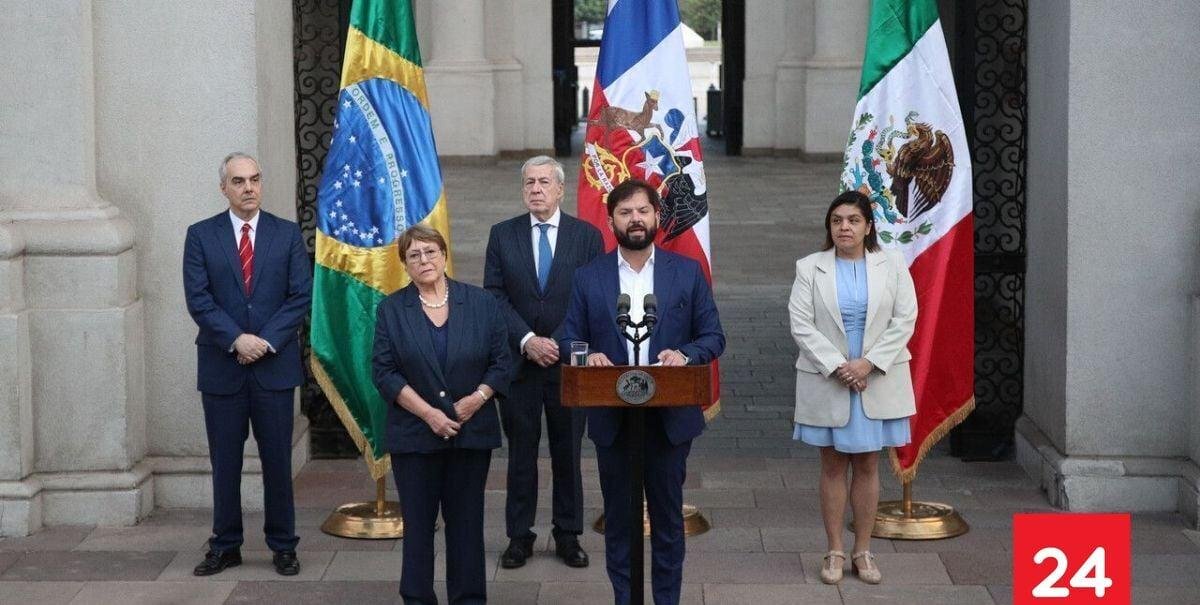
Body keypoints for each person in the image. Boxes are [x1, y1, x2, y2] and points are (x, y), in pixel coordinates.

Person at [559, 179, 725, 605]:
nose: (635, 219)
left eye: (643, 211)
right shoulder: (588, 277)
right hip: (613, 422)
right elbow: (568, 338)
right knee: (620, 521)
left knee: (667, 522)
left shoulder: (684, 273)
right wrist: (588, 355)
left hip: (669, 422)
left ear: (656, 216)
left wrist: (685, 355)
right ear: (611, 220)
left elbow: (713, 336)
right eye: (625, 212)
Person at [183, 152, 311, 576]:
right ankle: (225, 544)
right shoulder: (201, 236)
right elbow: (199, 299)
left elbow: (300, 296)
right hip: (223, 369)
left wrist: (266, 341)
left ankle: (283, 545)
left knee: (277, 461)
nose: (249, 187)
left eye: (255, 179)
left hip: (273, 368)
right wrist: (236, 339)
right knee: (225, 463)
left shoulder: (287, 234)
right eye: (239, 181)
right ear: (224, 188)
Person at [372, 225, 510, 605]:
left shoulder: (481, 303)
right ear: (405, 264)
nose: (424, 260)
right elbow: (384, 372)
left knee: (466, 525)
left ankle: (468, 599)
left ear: (445, 255)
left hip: (472, 433)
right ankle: (417, 599)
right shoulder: (391, 309)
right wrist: (429, 414)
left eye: (430, 252)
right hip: (414, 437)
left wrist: (477, 399)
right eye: (414, 255)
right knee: (418, 527)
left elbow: (502, 363)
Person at [788, 190, 918, 585]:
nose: (844, 227)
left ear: (868, 226)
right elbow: (801, 324)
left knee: (867, 464)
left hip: (877, 378)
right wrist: (839, 366)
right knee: (831, 465)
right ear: (829, 227)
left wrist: (868, 364)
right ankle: (834, 551)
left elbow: (905, 318)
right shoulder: (809, 267)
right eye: (837, 220)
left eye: (853, 220)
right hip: (830, 378)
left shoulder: (892, 264)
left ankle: (863, 551)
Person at [483, 156, 604, 569]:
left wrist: (560, 342)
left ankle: (568, 535)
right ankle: (520, 537)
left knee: (568, 453)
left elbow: (593, 296)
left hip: (569, 366)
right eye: (529, 183)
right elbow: (494, 296)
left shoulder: (586, 237)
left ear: (560, 189)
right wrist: (528, 340)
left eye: (544, 182)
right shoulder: (502, 235)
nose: (536, 189)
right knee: (520, 454)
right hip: (519, 366)